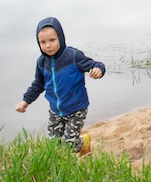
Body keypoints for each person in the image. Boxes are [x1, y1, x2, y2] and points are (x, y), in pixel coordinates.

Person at [15, 17, 105, 156]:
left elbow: (95, 65)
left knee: (68, 144)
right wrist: (25, 101)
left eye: (52, 40)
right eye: (43, 42)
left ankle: (84, 142)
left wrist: (98, 69)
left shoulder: (73, 56)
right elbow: (38, 84)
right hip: (55, 111)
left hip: (76, 109)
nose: (48, 46)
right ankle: (63, 164)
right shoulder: (41, 62)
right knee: (54, 145)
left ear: (61, 38)